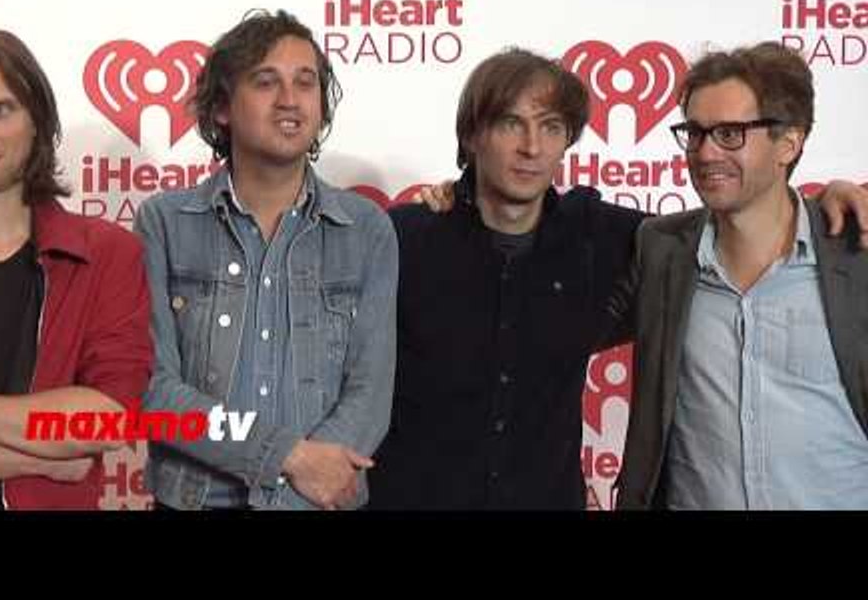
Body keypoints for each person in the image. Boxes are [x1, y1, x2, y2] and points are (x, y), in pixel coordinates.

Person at [368, 46, 868, 510]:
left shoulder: (634, 244)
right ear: (474, 135)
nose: (530, 147)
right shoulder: (407, 239)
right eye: (694, 133)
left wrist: (825, 201)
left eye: (550, 127)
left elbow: (759, 202)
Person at [135, 9, 398, 511]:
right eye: (265, 81)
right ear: (222, 108)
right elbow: (154, 391)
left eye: (306, 82)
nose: (290, 100)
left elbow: (370, 392)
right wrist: (289, 457)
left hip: (317, 503)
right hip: (196, 500)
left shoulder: (367, 230)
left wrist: (296, 494)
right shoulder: (164, 223)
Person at [614, 42, 868, 509]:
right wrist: (455, 202)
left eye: (730, 133)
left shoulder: (855, 252)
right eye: (695, 132)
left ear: (788, 143)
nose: (705, 152)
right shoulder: (658, 250)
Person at [0, 28, 153, 509]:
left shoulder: (107, 254)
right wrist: (41, 458)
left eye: (1, 110)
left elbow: (106, 419)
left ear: (37, 121)